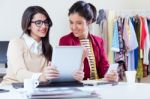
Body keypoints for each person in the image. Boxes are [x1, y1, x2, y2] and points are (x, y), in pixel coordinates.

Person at [1, 6, 84, 85]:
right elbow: (20, 74)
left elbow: (54, 75)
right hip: (11, 88)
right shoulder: (16, 43)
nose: (44, 26)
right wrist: (42, 76)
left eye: (46, 22)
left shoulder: (49, 48)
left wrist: (75, 77)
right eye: (38, 23)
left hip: (36, 89)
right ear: (29, 25)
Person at [59, 1, 118, 81]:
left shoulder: (99, 41)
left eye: (79, 23)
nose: (74, 27)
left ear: (89, 21)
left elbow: (104, 68)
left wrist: (110, 75)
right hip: (78, 88)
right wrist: (81, 58)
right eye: (71, 22)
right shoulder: (65, 41)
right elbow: (64, 72)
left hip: (97, 87)